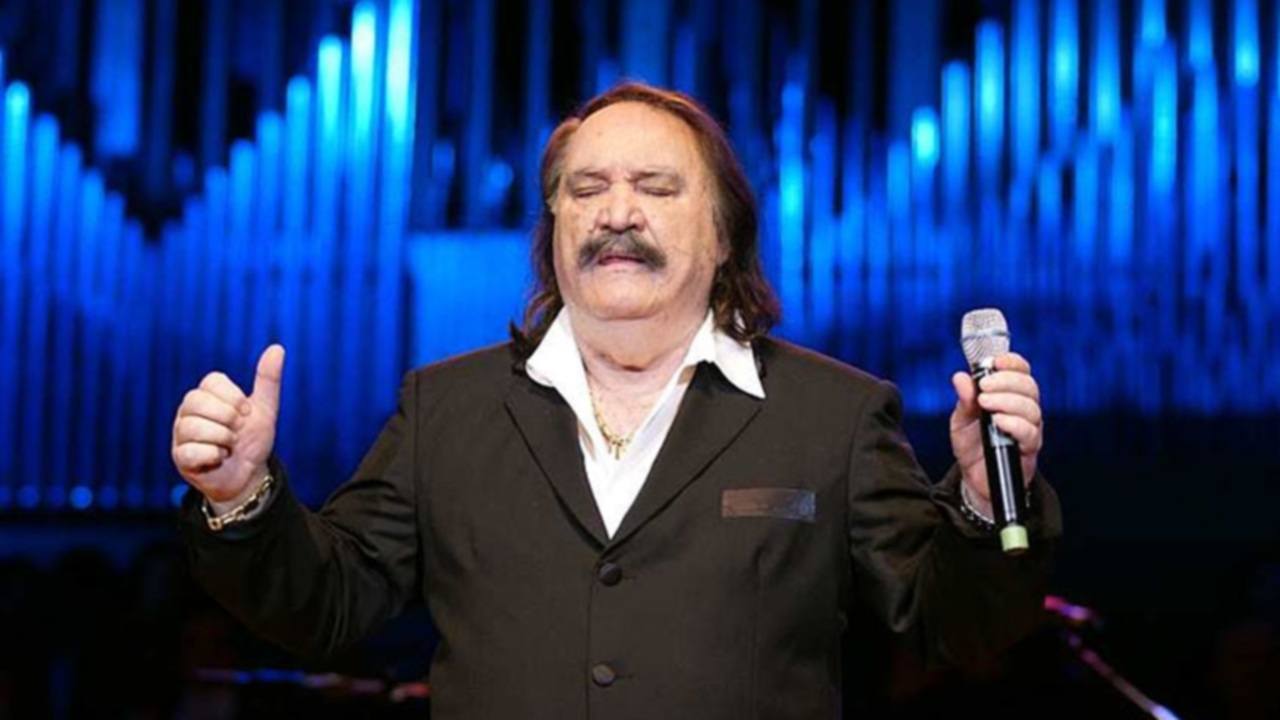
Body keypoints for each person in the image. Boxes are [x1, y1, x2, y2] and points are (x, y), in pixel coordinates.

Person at [173, 82, 1060, 719]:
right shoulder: (446, 409)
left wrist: (990, 502)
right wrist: (242, 496)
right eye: (586, 190)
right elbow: (327, 604)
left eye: (657, 189)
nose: (616, 214)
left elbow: (957, 626)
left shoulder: (834, 415)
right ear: (554, 228)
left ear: (723, 235)